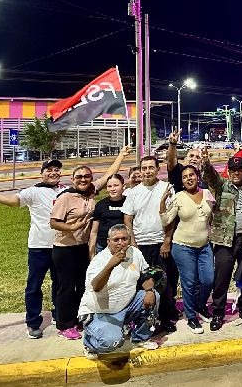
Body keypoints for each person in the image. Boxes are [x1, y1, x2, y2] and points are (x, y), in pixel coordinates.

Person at [0, 159, 67, 339]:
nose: (53, 172)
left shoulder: (65, 191)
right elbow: (12, 202)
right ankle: (33, 323)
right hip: (39, 247)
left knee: (60, 284)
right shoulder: (32, 191)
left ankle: (59, 315)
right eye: (49, 170)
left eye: (56, 170)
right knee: (34, 286)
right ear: (42, 173)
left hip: (60, 246)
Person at [50, 147, 130, 340]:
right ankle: (64, 324)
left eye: (87, 176)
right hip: (65, 249)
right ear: (73, 179)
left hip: (82, 247)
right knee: (66, 287)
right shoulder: (66, 197)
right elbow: (53, 222)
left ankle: (78, 319)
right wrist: (73, 227)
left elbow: (110, 174)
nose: (83, 179)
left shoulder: (92, 192)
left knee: (81, 284)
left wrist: (121, 155)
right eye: (79, 177)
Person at [79, 224, 160, 358]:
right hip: (100, 312)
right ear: (108, 242)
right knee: (112, 342)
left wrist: (150, 290)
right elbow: (96, 287)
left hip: (126, 306)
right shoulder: (99, 260)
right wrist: (111, 264)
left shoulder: (135, 253)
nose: (121, 243)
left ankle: (140, 338)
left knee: (154, 296)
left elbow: (146, 274)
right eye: (116, 240)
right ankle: (89, 342)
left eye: (124, 239)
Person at [121, 155, 181, 333]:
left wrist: (167, 241)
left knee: (165, 282)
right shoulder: (133, 193)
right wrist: (133, 245)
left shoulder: (166, 188)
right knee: (143, 283)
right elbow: (127, 220)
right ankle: (143, 318)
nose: (147, 171)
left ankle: (166, 316)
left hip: (161, 244)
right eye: (144, 168)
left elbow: (171, 218)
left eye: (151, 167)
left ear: (157, 169)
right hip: (141, 245)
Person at [201, 152, 242, 331]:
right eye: (232, 170)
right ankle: (218, 313)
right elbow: (210, 176)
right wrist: (206, 163)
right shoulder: (221, 186)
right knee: (222, 278)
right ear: (228, 171)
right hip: (224, 241)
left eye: (239, 170)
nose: (236, 173)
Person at [159, 164, 215, 334]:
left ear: (197, 177)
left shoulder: (208, 194)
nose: (189, 178)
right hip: (182, 246)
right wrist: (162, 203)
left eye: (191, 175)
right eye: (185, 177)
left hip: (204, 246)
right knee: (189, 283)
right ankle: (191, 317)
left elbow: (215, 215)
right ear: (182, 181)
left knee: (208, 280)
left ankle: (200, 305)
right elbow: (166, 220)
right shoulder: (178, 197)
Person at [89, 174, 126, 257]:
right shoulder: (100, 205)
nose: (112, 189)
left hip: (124, 247)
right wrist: (91, 254)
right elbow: (94, 232)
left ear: (123, 186)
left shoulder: (129, 202)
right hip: (103, 247)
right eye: (109, 186)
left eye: (116, 185)